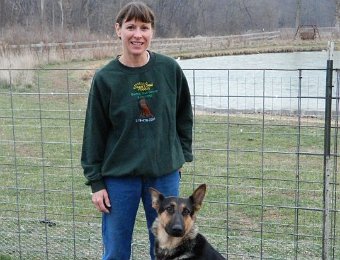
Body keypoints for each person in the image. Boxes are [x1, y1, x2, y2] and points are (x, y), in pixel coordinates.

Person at [80, 2, 193, 259]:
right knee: (117, 249)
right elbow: (94, 133)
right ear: (118, 30)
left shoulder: (169, 70)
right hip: (120, 178)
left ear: (152, 31)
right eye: (131, 27)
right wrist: (96, 182)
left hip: (163, 175)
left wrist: (180, 155)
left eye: (144, 27)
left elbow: (183, 116)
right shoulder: (105, 78)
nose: (137, 34)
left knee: (166, 248)